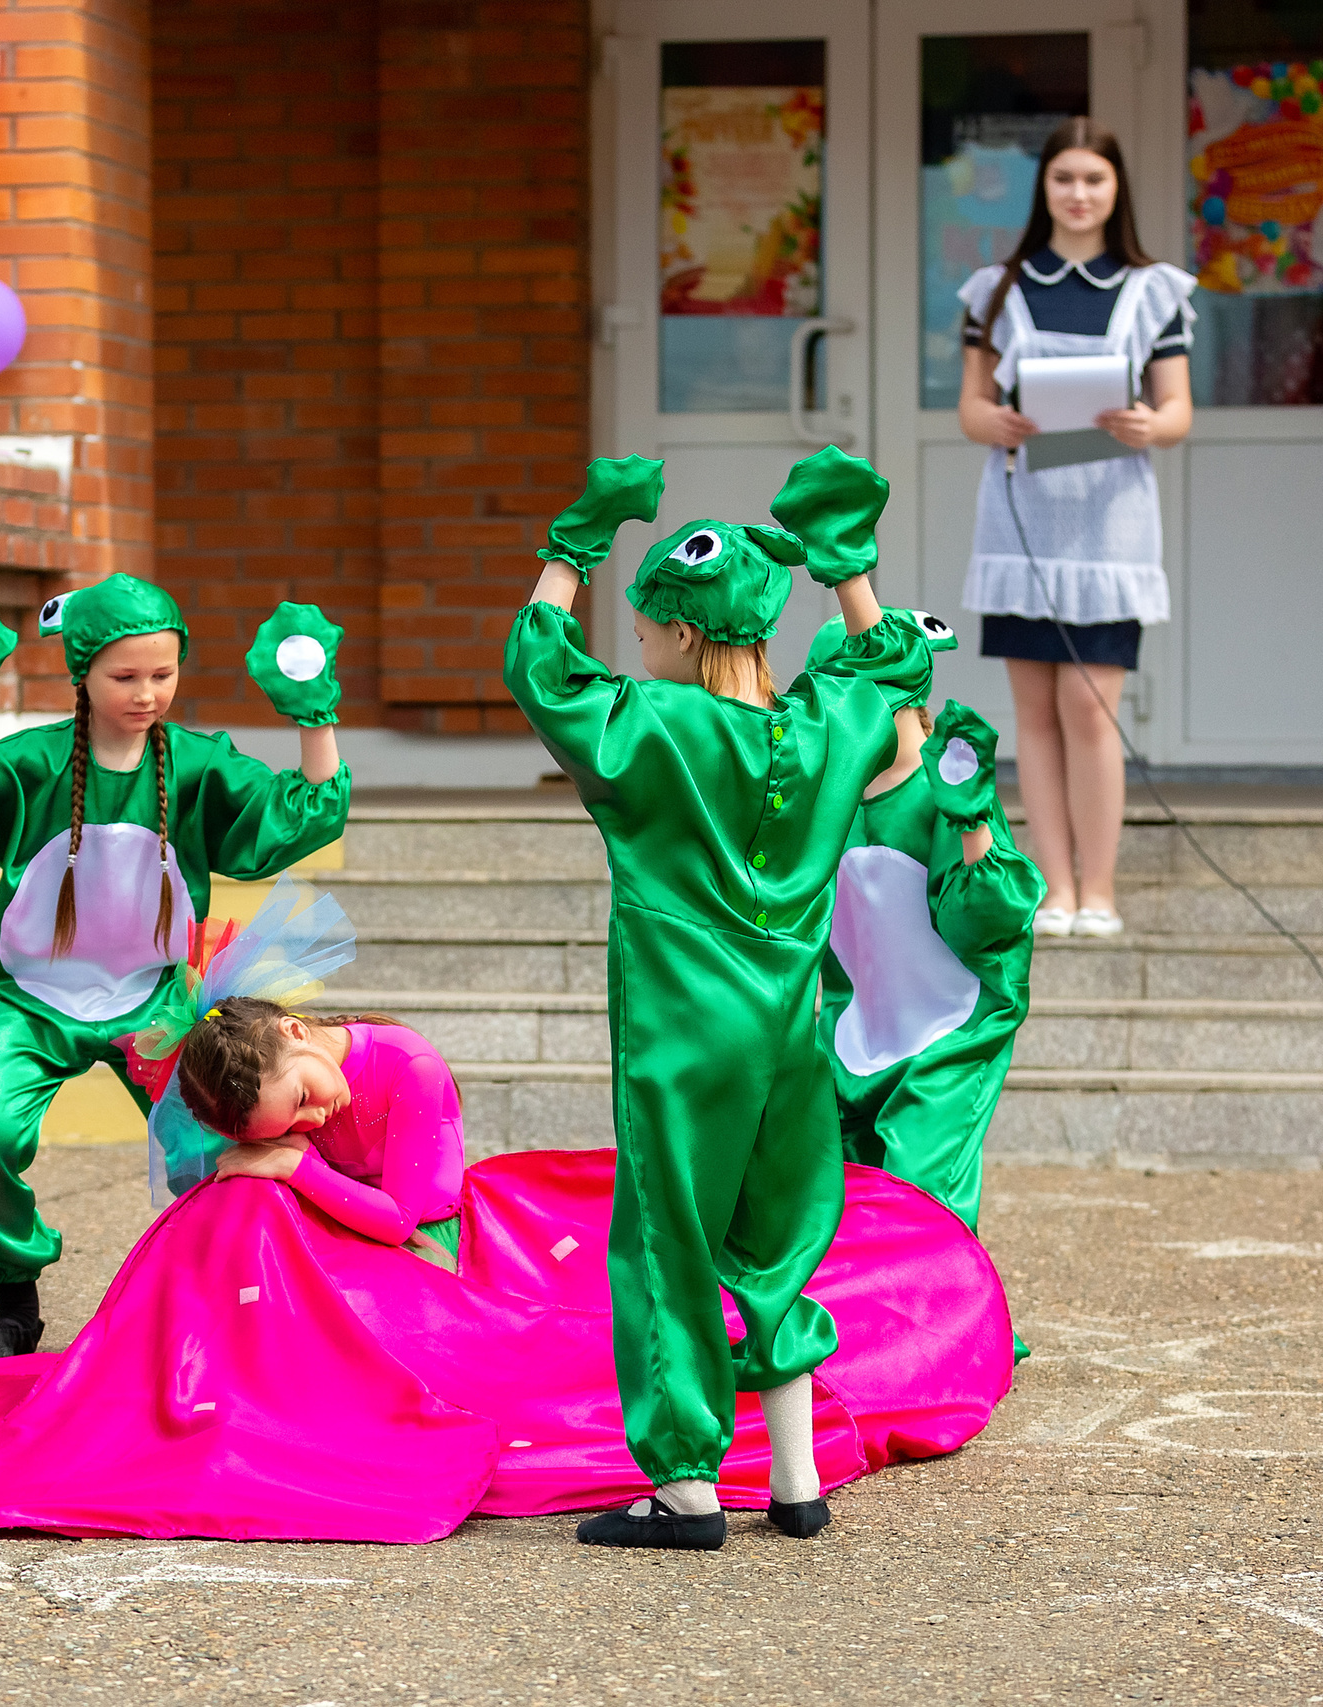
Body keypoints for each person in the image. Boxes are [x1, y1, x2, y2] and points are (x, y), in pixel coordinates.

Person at [0, 879, 1017, 1545]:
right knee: (227, 1225)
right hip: (374, 1236)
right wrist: (256, 1177)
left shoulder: (402, 1069)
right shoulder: (273, 1104)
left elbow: (416, 1216)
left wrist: (295, 1172)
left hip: (462, 1241)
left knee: (588, 1329)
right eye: (280, 1124)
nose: (310, 1120)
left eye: (304, 1099)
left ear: (304, 1034)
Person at [505, 447, 935, 1551]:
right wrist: (846, 566)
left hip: (683, 1033)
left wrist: (573, 544)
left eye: (648, 630)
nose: (639, 647)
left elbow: (540, 666)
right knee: (779, 1236)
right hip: (787, 1030)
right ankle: (796, 1480)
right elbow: (892, 667)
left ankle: (686, 1488)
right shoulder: (826, 725)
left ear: (686, 636)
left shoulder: (656, 724)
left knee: (669, 1238)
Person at [0, 574, 350, 1359]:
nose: (146, 693)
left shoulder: (199, 765)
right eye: (125, 676)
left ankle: (234, 1293)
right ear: (82, 672)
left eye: (163, 674)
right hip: (36, 1004)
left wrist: (315, 716)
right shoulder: (35, 762)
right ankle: (14, 1306)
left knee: (215, 1144)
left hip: (158, 1005)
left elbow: (305, 810)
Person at [956, 118, 1195, 940]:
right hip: (1022, 519)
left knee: (1091, 709)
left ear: (1116, 187)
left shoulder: (1153, 289)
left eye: (1095, 178)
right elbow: (971, 406)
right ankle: (1055, 888)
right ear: (1044, 186)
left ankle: (1101, 890)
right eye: (1064, 178)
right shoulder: (996, 289)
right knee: (1035, 712)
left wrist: (1148, 424)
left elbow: (1178, 410)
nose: (1080, 193)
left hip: (1111, 528)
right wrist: (995, 421)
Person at [805, 617, 1043, 1239]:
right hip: (854, 1032)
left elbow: (988, 922)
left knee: (919, 1200)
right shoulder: (828, 798)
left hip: (949, 1031)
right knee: (829, 1200)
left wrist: (972, 823)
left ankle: (945, 1302)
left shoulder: (944, 793)